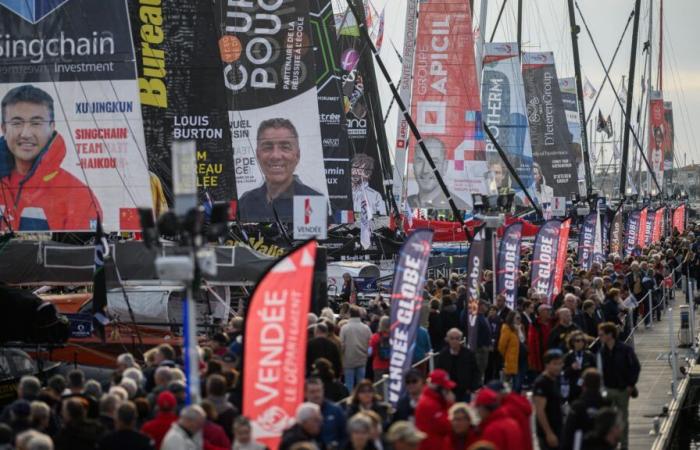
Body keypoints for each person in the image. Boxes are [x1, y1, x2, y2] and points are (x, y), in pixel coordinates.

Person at [0, 84, 102, 231]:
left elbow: (84, 252)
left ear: (52, 127)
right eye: (17, 123)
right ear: (4, 129)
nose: (26, 133)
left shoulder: (80, 196)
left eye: (36, 123)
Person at [237, 118, 323, 222]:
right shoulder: (245, 203)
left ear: (297, 155)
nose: (276, 156)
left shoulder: (312, 201)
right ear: (258, 155)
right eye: (268, 147)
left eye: (285, 147)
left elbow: (312, 238)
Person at [598, 322, 640, 450]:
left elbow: (635, 367)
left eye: (602, 335)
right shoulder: (601, 351)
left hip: (622, 389)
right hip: (608, 389)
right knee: (607, 419)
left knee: (623, 419)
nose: (599, 337)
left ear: (610, 334)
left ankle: (624, 445)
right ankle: (611, 444)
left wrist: (630, 385)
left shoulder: (625, 349)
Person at [407, 137, 470, 209]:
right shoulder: (406, 203)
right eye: (420, 161)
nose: (425, 170)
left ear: (445, 166)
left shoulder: (460, 207)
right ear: (413, 164)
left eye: (433, 162)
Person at [561, 369, 611, 450]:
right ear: (599, 385)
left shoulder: (577, 406)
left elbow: (568, 434)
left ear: (583, 385)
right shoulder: (606, 404)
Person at [414, 369, 456, 450]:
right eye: (446, 389)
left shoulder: (435, 400)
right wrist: (450, 405)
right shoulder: (428, 403)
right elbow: (448, 426)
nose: (448, 392)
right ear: (437, 388)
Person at [435, 328, 480, 401]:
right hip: (448, 391)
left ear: (460, 339)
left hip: (464, 391)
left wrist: (472, 388)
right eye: (452, 338)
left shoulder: (468, 354)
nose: (454, 341)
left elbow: (475, 371)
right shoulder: (443, 355)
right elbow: (439, 372)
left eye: (457, 338)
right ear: (448, 339)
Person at [533, 349, 565, 450]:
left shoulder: (556, 379)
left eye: (560, 364)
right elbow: (540, 411)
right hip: (547, 432)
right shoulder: (541, 383)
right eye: (554, 364)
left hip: (558, 428)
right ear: (547, 364)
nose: (558, 367)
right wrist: (549, 433)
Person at [306, 377, 347, 449]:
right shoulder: (301, 413)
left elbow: (345, 436)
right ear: (305, 393)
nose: (316, 395)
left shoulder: (335, 410)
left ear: (323, 391)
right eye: (312, 392)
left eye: (318, 391)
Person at [340, 306, 372, 391]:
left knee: (349, 384)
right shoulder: (366, 328)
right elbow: (370, 343)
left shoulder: (344, 328)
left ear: (350, 314)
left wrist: (341, 358)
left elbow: (342, 345)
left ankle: (349, 402)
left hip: (348, 360)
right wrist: (367, 354)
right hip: (362, 359)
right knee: (361, 384)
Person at [498, 311, 527, 392]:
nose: (519, 320)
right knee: (516, 382)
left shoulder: (520, 327)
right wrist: (507, 355)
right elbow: (502, 345)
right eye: (517, 318)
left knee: (520, 380)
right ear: (512, 318)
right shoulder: (507, 328)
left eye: (520, 318)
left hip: (523, 357)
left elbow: (523, 340)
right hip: (513, 358)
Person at [562, 331, 596, 402]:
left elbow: (595, 371)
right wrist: (571, 368)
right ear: (572, 342)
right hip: (573, 390)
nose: (580, 342)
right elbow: (563, 374)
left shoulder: (590, 356)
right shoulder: (568, 357)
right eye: (577, 340)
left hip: (587, 389)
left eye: (582, 340)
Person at [368, 316, 391, 381]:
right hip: (391, 365)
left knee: (379, 387)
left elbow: (369, 353)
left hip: (378, 365)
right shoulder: (394, 336)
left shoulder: (375, 337)